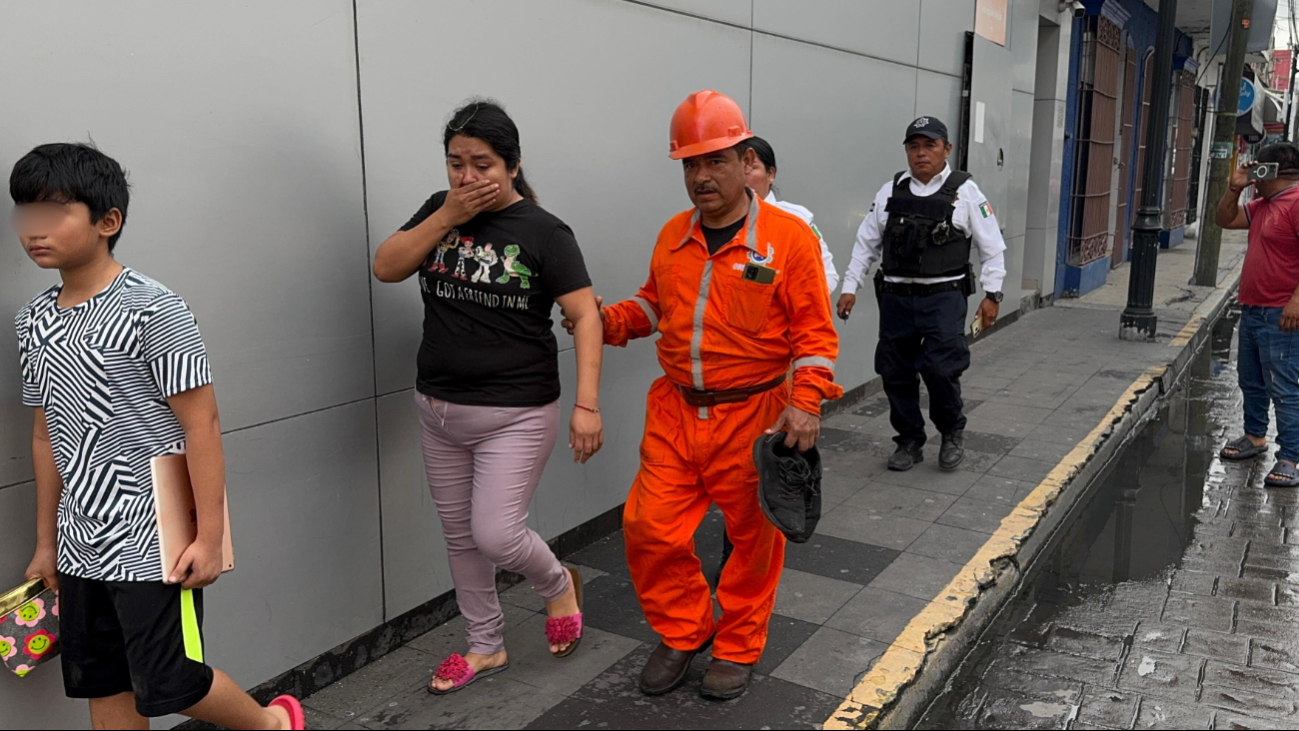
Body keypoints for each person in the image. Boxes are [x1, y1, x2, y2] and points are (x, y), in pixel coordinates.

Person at [12, 143, 304, 730]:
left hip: (156, 540)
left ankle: (272, 724)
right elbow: (45, 437)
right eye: (24, 212)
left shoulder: (154, 307)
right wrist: (46, 543)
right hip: (79, 543)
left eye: (52, 210)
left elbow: (203, 425)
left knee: (172, 679)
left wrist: (211, 536)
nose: (32, 229)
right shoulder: (33, 320)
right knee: (103, 680)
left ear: (107, 222)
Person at [585, 90, 842, 699]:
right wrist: (611, 320)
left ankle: (736, 647)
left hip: (753, 416)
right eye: (689, 165)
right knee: (649, 528)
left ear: (744, 157)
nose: (701, 177)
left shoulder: (787, 239)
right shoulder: (673, 235)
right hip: (675, 412)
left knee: (752, 543)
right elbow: (655, 303)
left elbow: (814, 333)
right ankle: (686, 629)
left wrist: (805, 402)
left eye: (715, 161)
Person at [371, 99, 604, 693]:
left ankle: (556, 585)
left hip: (516, 412)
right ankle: (485, 645)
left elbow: (585, 314)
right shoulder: (439, 211)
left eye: (482, 164)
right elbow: (386, 266)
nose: (468, 177)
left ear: (513, 164)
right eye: (456, 163)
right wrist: (445, 215)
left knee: (495, 534)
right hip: (437, 408)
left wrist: (587, 405)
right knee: (460, 537)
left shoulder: (545, 231)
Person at [836, 116, 1006, 472]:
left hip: (944, 297)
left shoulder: (965, 192)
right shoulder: (890, 191)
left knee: (941, 369)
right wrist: (850, 287)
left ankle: (950, 433)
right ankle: (910, 440)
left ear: (947, 149)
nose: (921, 153)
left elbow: (992, 247)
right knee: (894, 370)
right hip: (897, 299)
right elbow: (866, 244)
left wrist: (993, 294)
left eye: (929, 145)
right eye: (914, 146)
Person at [1214, 142, 1299, 488]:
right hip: (1252, 309)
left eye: (1257, 168)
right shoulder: (1263, 204)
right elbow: (1224, 219)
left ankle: (1291, 457)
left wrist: (1297, 301)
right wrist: (1234, 187)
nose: (1252, 173)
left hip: (1281, 313)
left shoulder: (1295, 203)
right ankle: (1255, 437)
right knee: (1251, 380)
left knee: (1285, 388)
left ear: (1271, 171)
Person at [741, 136, 839, 293]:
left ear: (770, 174)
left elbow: (827, 276)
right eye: (736, 168)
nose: (741, 175)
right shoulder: (714, 220)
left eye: (751, 167)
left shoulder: (797, 220)